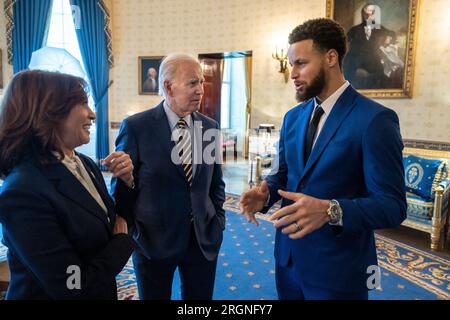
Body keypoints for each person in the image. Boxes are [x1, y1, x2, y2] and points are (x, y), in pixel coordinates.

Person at [239, 18, 406, 300]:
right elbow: (283, 175)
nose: (292, 73)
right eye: (291, 64)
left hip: (339, 268)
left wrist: (331, 210)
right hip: (288, 259)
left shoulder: (375, 120)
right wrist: (264, 195)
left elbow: (392, 206)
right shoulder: (293, 117)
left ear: (331, 57)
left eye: (301, 63)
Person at [0, 70, 134, 299]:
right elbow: (72, 286)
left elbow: (113, 221)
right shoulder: (21, 192)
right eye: (83, 104)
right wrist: (122, 244)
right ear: (50, 112)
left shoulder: (85, 163)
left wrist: (126, 181)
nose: (92, 114)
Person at [107, 53, 226, 300]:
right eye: (192, 83)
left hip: (203, 241)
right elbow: (121, 193)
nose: (200, 90)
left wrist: (218, 222)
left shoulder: (209, 127)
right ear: (168, 86)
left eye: (201, 82)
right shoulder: (136, 127)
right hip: (154, 243)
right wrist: (127, 183)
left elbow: (215, 184)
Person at [343, 3, 398, 89]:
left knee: (381, 78)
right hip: (355, 60)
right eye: (366, 13)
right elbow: (345, 40)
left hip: (373, 59)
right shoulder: (355, 29)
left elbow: (392, 34)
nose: (368, 16)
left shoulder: (380, 28)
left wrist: (388, 40)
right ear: (362, 14)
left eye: (371, 13)